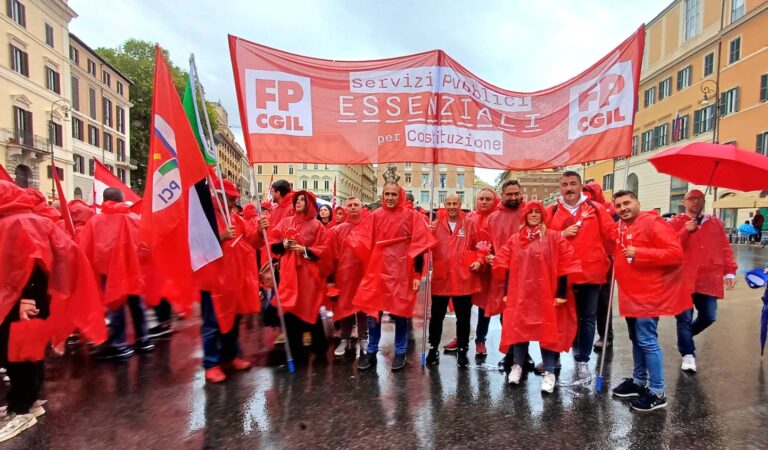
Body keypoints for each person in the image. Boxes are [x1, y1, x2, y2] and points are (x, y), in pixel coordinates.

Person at [0, 181, 106, 442]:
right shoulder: (31, 220)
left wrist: (26, 296)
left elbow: (32, 262)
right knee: (27, 353)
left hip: (23, 302)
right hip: (34, 300)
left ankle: (21, 408)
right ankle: (27, 401)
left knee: (18, 355)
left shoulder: (17, 223)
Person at [610, 190, 689, 411]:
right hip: (631, 294)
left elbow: (675, 254)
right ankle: (638, 381)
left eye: (627, 203)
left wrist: (640, 252)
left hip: (648, 294)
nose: (623, 208)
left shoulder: (653, 223)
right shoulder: (621, 227)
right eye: (618, 205)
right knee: (637, 339)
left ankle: (657, 391)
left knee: (646, 340)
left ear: (638, 203)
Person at [493, 201, 580, 393]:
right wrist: (507, 292)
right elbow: (507, 266)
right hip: (521, 293)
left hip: (545, 294)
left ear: (543, 215)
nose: (533, 215)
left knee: (547, 332)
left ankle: (549, 372)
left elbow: (564, 265)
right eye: (530, 212)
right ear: (525, 215)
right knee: (519, 330)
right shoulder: (516, 239)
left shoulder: (554, 238)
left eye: (537, 212)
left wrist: (562, 293)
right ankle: (517, 365)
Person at [350, 182, 436, 371]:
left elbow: (420, 247)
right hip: (378, 269)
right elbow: (363, 240)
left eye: (393, 194)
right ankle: (371, 351)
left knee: (401, 313)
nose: (390, 197)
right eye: (386, 193)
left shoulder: (412, 216)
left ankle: (400, 351)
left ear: (400, 196)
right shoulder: (375, 216)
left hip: (401, 270)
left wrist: (416, 274)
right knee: (374, 313)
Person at [547, 171, 614, 384]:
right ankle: (553, 358)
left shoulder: (596, 209)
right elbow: (542, 237)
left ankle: (582, 360)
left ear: (580, 186)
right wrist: (560, 234)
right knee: (558, 318)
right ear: (560, 187)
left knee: (588, 319)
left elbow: (611, 234)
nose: (569, 188)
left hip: (590, 273)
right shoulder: (552, 210)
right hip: (561, 275)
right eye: (565, 184)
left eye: (573, 184)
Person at [77, 188, 153, 360]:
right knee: (136, 301)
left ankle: (119, 344)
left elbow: (85, 249)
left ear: (105, 200)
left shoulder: (96, 221)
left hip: (109, 272)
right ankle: (144, 339)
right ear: (122, 199)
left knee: (115, 304)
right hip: (132, 270)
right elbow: (145, 246)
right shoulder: (134, 218)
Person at [200, 179, 265, 383]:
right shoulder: (204, 216)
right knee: (212, 323)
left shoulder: (236, 218)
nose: (234, 201)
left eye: (234, 198)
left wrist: (261, 231)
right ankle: (211, 364)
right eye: (230, 197)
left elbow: (252, 240)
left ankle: (230, 356)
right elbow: (197, 247)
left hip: (234, 279)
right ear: (218, 195)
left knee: (234, 320)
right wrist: (221, 236)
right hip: (212, 280)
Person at [669, 189, 737, 373]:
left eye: (700, 199)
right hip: (682, 278)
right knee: (683, 319)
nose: (696, 202)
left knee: (709, 316)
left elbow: (724, 248)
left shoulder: (715, 223)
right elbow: (669, 247)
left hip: (708, 279)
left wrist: (730, 271)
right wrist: (685, 231)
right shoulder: (676, 222)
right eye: (692, 199)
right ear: (684, 202)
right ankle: (688, 354)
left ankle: (685, 338)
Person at [269, 190, 329, 365]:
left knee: (311, 309)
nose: (299, 202)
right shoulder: (285, 222)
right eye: (297, 200)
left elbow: (324, 248)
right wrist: (283, 245)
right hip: (289, 275)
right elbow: (273, 243)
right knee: (289, 312)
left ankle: (319, 349)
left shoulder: (317, 226)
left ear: (310, 203)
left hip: (308, 276)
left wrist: (305, 250)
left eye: (303, 200)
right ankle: (296, 351)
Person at [472, 181, 525, 365]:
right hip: (502, 273)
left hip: (525, 273)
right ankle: (511, 352)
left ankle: (522, 354)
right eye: (509, 194)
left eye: (516, 193)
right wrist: (486, 257)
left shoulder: (528, 212)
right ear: (502, 195)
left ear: (521, 193)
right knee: (506, 315)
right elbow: (485, 244)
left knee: (521, 315)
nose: (513, 197)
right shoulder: (493, 218)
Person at [425, 195, 480, 368]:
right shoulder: (435, 224)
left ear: (460, 204)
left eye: (454, 203)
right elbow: (425, 244)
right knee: (436, 317)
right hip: (442, 277)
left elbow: (478, 246)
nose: (451, 207)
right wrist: (426, 233)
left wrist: (479, 259)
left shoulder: (469, 224)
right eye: (448, 204)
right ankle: (433, 348)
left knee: (463, 317)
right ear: (444, 205)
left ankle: (463, 348)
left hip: (463, 277)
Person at [324, 198, 367, 357]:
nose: (353, 208)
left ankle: (363, 338)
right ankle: (344, 338)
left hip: (363, 276)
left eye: (356, 205)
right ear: (345, 210)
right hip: (344, 277)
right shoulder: (337, 230)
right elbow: (330, 257)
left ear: (361, 208)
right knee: (345, 309)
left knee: (363, 309)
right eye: (350, 205)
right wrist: (331, 281)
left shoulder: (368, 228)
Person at [583, 181, 619, 351]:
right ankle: (588, 334)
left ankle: (606, 335)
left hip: (606, 260)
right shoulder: (583, 210)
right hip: (588, 260)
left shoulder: (610, 211)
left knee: (603, 301)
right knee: (585, 300)